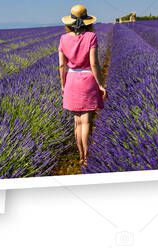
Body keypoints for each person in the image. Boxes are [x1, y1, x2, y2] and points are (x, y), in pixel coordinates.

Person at [59, 4, 106, 169]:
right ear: (87, 21)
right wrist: (100, 84)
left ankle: (80, 156)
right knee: (86, 122)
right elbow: (94, 63)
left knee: (77, 122)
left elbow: (61, 66)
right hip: (87, 80)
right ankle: (86, 157)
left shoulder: (63, 39)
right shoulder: (91, 37)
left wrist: (63, 85)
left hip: (71, 80)